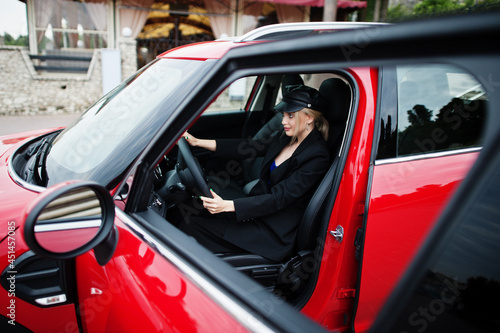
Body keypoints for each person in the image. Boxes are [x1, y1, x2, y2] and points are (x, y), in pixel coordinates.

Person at [180, 84, 330, 262]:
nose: (283, 121)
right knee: (192, 214)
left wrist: (227, 205)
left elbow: (279, 198)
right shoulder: (285, 137)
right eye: (283, 115)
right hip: (258, 211)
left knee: (193, 228)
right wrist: (198, 142)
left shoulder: (317, 156)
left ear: (309, 118)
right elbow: (247, 147)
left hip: (273, 231)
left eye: (290, 116)